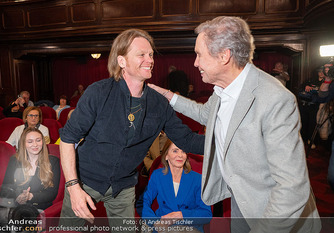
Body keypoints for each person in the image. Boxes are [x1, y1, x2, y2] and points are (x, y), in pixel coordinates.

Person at [148, 16, 320, 233]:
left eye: (199, 54)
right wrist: (168, 95)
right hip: (242, 205)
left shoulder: (275, 99)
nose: (195, 63)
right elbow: (204, 113)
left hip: (276, 218)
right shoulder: (222, 90)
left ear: (224, 56)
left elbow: (292, 188)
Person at [58, 28, 204, 232]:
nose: (150, 60)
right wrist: (73, 187)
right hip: (85, 180)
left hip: (123, 187)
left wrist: (225, 143)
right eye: (142, 54)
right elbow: (68, 139)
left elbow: (187, 140)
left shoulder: (159, 104)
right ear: (122, 61)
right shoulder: (98, 93)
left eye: (151, 54)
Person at [141, 139, 212, 233]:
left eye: (183, 151)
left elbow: (206, 214)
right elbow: (144, 203)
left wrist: (181, 215)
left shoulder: (197, 179)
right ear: (166, 155)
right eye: (175, 151)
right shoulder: (157, 176)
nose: (180, 155)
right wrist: (155, 223)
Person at [2, 127, 60, 210]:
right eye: (30, 141)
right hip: (15, 205)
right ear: (23, 144)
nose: (35, 144)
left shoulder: (53, 161)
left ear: (43, 142)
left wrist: (31, 196)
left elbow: (51, 193)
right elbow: (6, 186)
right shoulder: (15, 160)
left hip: (39, 207)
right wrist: (17, 196)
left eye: (38, 140)